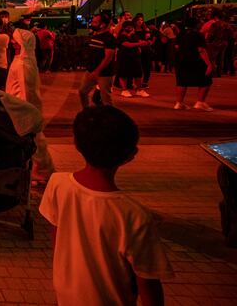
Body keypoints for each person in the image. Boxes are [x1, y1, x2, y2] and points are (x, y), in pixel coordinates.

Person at [39, 106, 173, 306]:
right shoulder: (134, 215)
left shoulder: (58, 184)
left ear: (76, 143)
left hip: (66, 297)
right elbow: (148, 281)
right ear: (131, 155)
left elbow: (56, 238)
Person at [6, 26, 55, 184]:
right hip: (18, 107)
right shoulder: (22, 59)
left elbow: (26, 91)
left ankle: (40, 173)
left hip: (22, 109)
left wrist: (23, 112)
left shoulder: (23, 64)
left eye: (16, 41)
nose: (12, 43)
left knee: (33, 142)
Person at [174, 17, 214, 111]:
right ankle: (200, 102)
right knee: (206, 80)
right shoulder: (198, 35)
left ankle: (179, 103)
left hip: (182, 60)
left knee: (182, 81)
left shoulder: (181, 34)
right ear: (196, 25)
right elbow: (201, 50)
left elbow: (176, 46)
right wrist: (208, 64)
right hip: (196, 60)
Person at [79, 13, 117, 108]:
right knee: (82, 92)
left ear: (103, 24)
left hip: (104, 73)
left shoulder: (109, 38)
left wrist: (97, 71)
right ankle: (87, 112)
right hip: (90, 71)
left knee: (105, 99)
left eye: (95, 22)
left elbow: (108, 57)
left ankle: (109, 119)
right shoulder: (96, 35)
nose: (92, 23)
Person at [204, 10, 231, 78]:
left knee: (212, 58)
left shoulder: (215, 24)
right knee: (221, 58)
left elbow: (211, 35)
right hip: (224, 42)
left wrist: (207, 41)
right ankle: (219, 73)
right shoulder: (227, 25)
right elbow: (231, 34)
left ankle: (213, 72)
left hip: (215, 43)